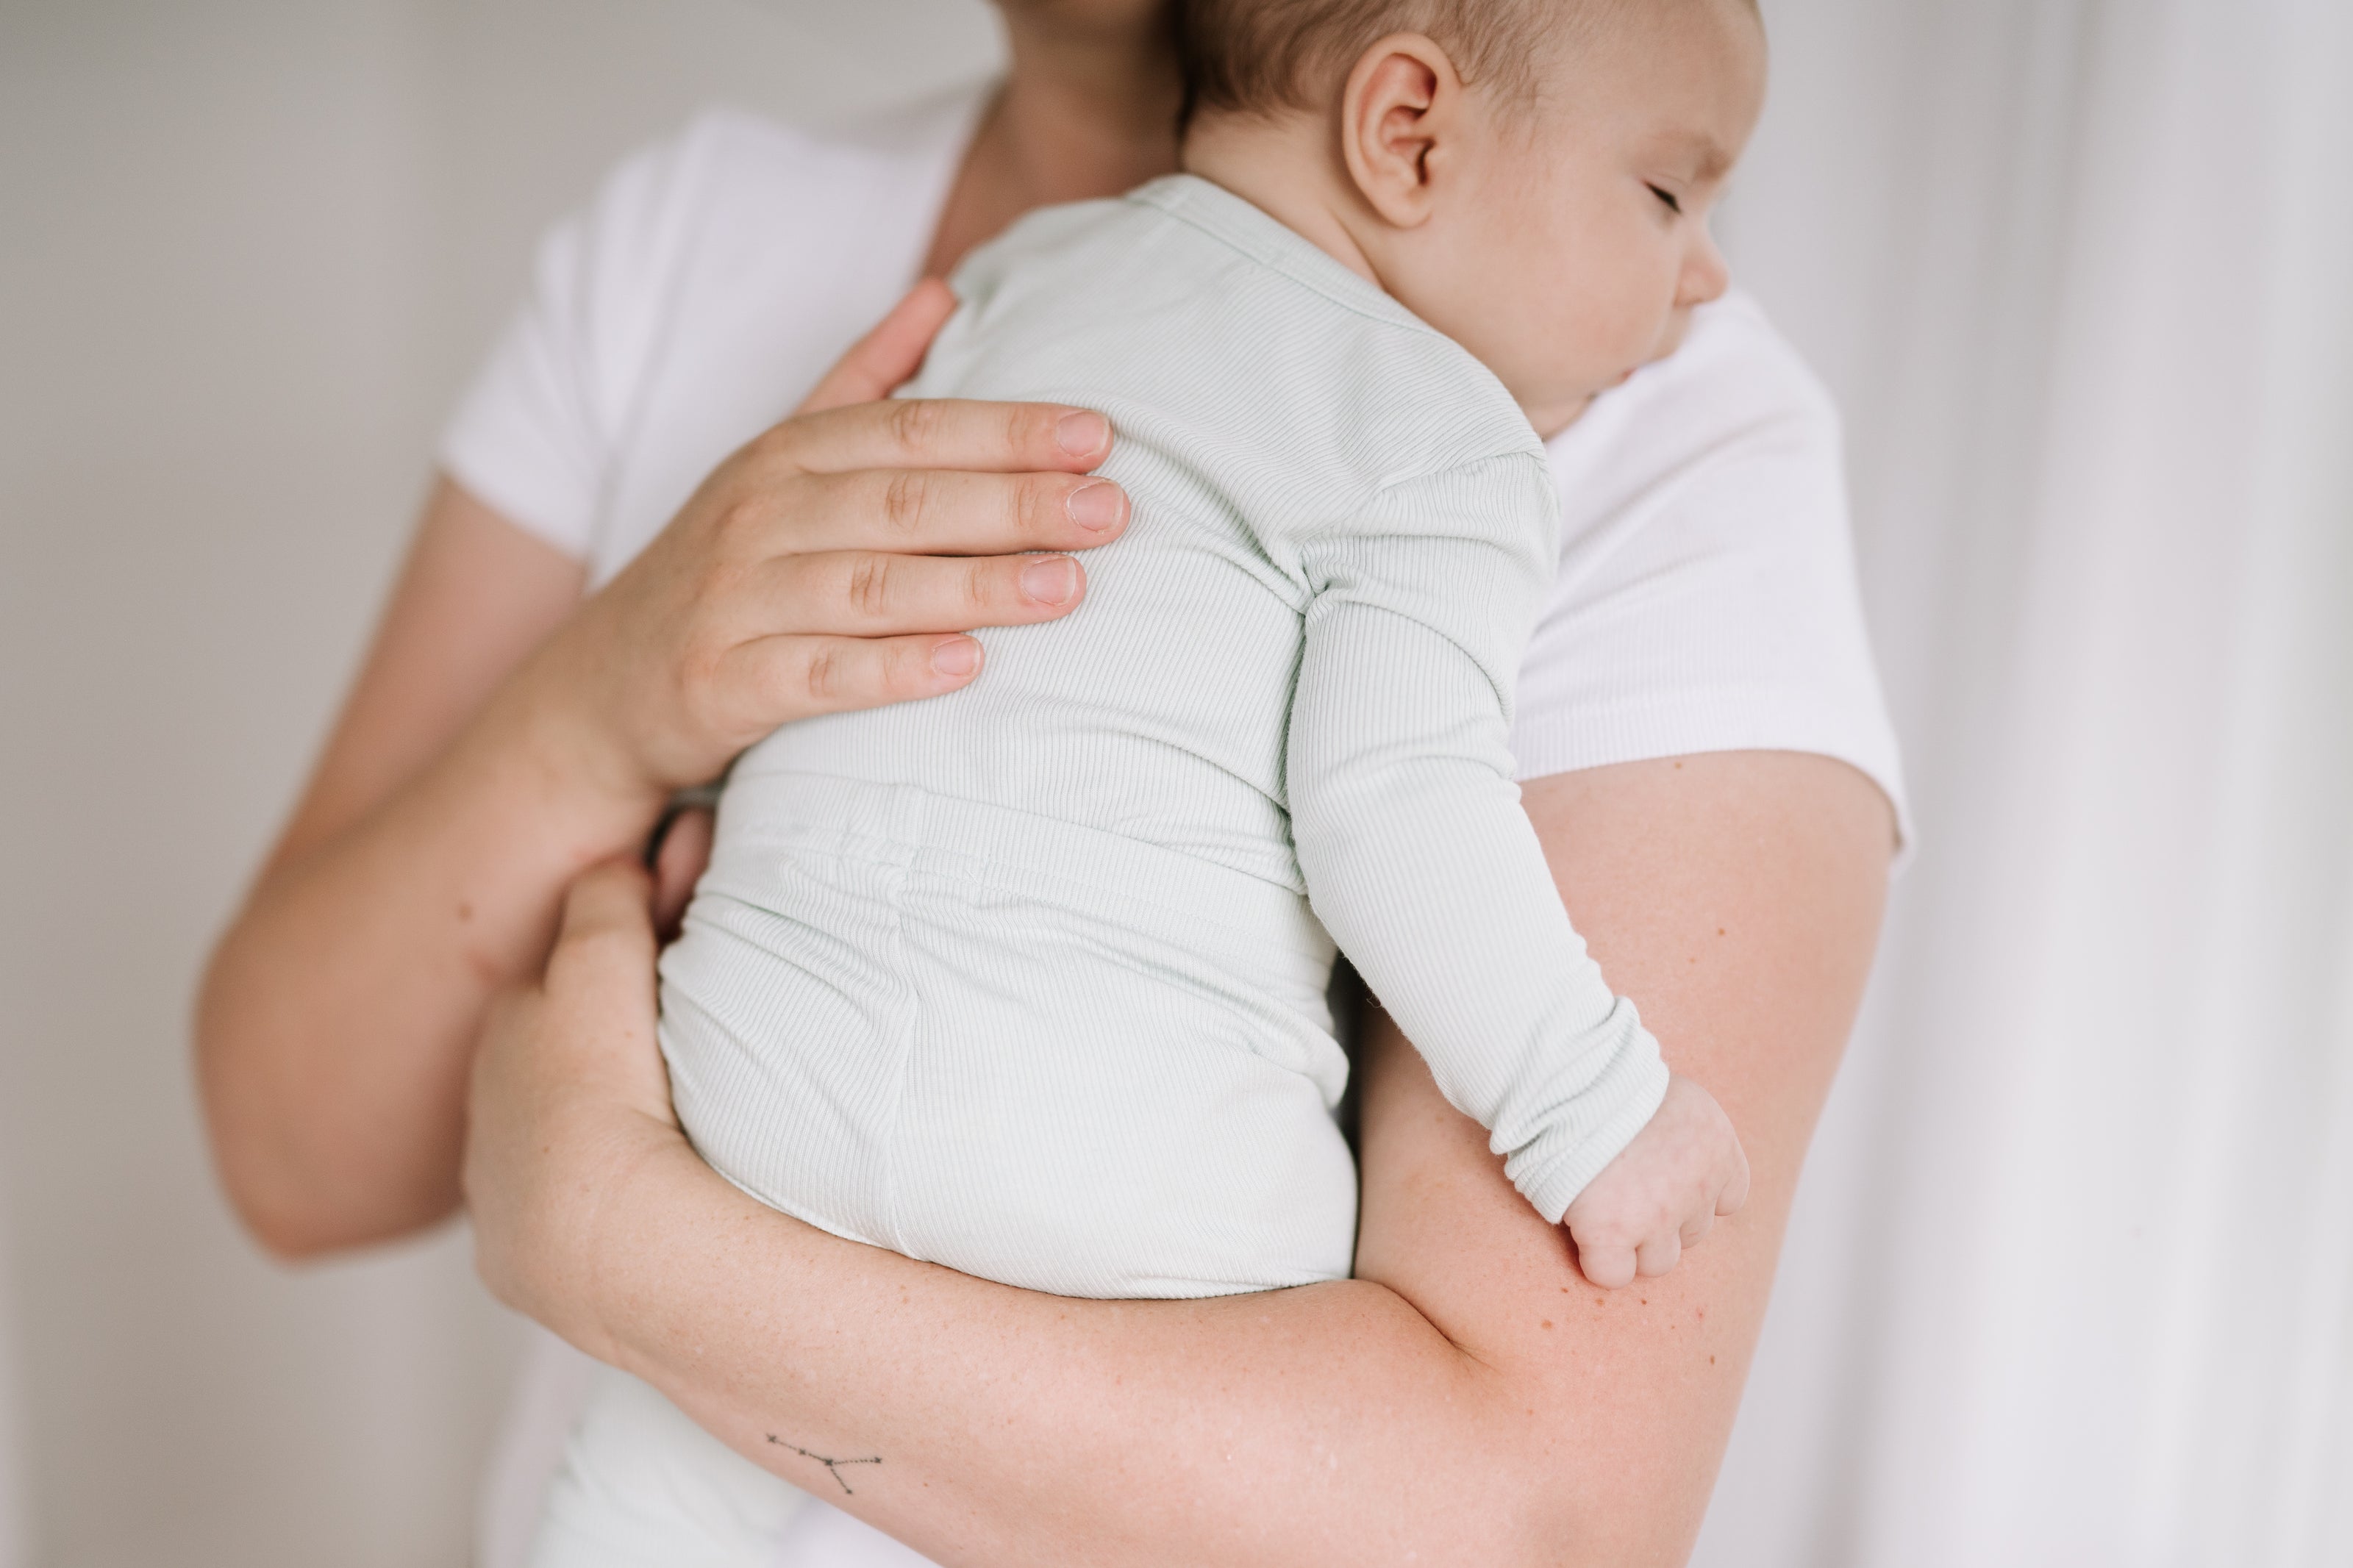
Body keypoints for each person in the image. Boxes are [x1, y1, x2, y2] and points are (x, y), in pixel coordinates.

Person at [196, 1, 1904, 1563]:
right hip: (1109, 1179)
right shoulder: (1455, 433)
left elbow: (1522, 1518)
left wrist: (616, 1234)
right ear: (1406, 129)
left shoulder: (1025, 289)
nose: (1702, 281)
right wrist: (600, 703)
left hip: (746, 1098)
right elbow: (287, 1146)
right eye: (1675, 200)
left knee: (635, 1499)